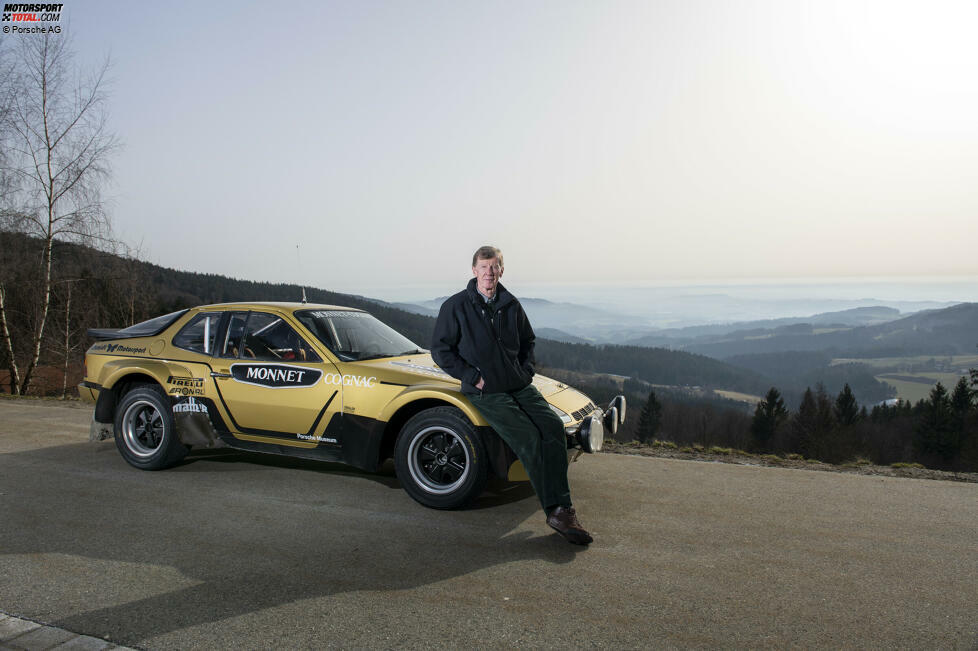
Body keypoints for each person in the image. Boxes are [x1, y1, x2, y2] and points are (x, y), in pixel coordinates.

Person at [431, 245, 593, 545]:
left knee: (553, 428)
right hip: (486, 391)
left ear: (501, 270)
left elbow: (528, 341)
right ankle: (559, 511)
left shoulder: (511, 304)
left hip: (519, 385)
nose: (489, 272)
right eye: (483, 267)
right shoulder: (456, 306)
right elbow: (441, 350)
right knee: (528, 437)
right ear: (474, 270)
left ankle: (559, 502)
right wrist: (471, 377)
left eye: (494, 267)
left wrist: (525, 372)